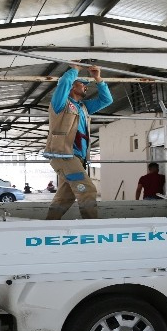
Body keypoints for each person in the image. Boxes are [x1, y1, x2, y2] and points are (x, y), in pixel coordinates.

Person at [43, 62, 113, 219]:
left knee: (65, 197)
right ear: (73, 87)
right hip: (65, 155)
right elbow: (63, 82)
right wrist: (75, 69)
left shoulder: (83, 107)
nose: (86, 87)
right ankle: (91, 226)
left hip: (77, 158)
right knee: (88, 190)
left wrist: (98, 78)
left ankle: (49, 225)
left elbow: (106, 100)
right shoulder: (60, 104)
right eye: (83, 84)